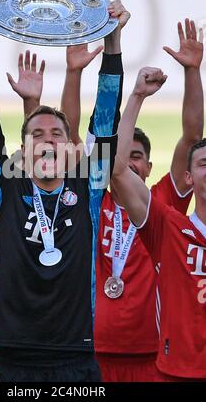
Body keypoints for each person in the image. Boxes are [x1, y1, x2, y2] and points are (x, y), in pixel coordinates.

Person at [0, 0, 123, 382]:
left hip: (75, 361)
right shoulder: (1, 189)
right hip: (9, 360)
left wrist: (114, 44)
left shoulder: (89, 188)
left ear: (70, 148)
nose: (47, 140)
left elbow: (104, 120)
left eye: (56, 133)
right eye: (37, 134)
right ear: (23, 150)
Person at [62, 18, 204, 381]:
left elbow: (191, 137)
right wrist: (74, 74)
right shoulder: (95, 200)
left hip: (152, 353)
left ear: (151, 165)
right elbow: (69, 135)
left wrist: (192, 73)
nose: (133, 161)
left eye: (140, 156)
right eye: (130, 154)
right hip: (94, 348)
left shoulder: (164, 202)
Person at [111, 68, 206, 380]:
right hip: (172, 369)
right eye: (204, 163)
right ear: (189, 178)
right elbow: (118, 170)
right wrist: (137, 95)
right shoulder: (170, 227)